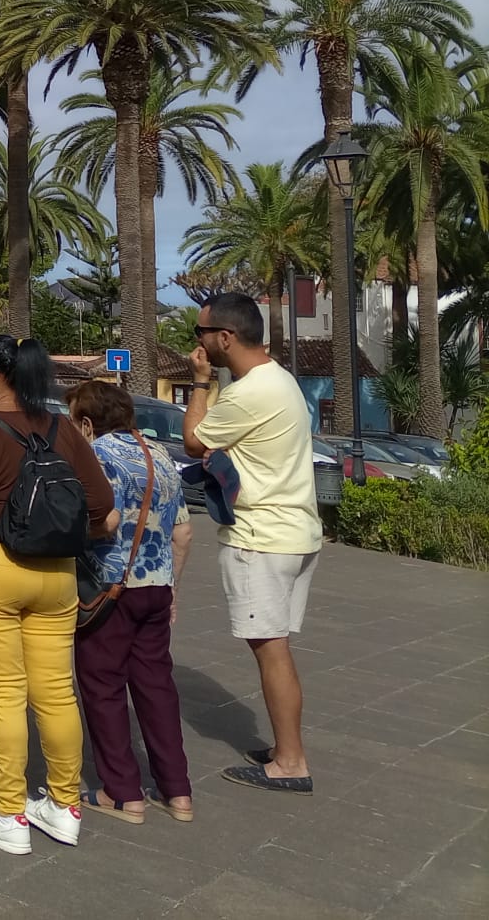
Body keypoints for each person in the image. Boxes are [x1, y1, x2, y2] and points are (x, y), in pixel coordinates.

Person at [0, 335, 116, 856]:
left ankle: (9, 811)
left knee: (4, 692)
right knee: (56, 691)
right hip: (56, 572)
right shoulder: (61, 427)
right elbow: (100, 503)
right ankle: (63, 806)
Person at [183, 291, 322, 796]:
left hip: (261, 536)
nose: (196, 342)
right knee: (277, 646)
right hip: (295, 530)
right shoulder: (280, 379)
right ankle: (287, 749)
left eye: (200, 334)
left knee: (271, 649)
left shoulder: (248, 392)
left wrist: (200, 381)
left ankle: (290, 761)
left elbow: (194, 440)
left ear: (225, 337)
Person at [68, 380, 194, 822]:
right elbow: (183, 532)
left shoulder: (97, 456)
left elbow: (108, 519)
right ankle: (177, 791)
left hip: (110, 587)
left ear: (87, 422)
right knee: (157, 685)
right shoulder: (161, 458)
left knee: (102, 684)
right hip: (157, 587)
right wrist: (171, 587)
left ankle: (122, 792)